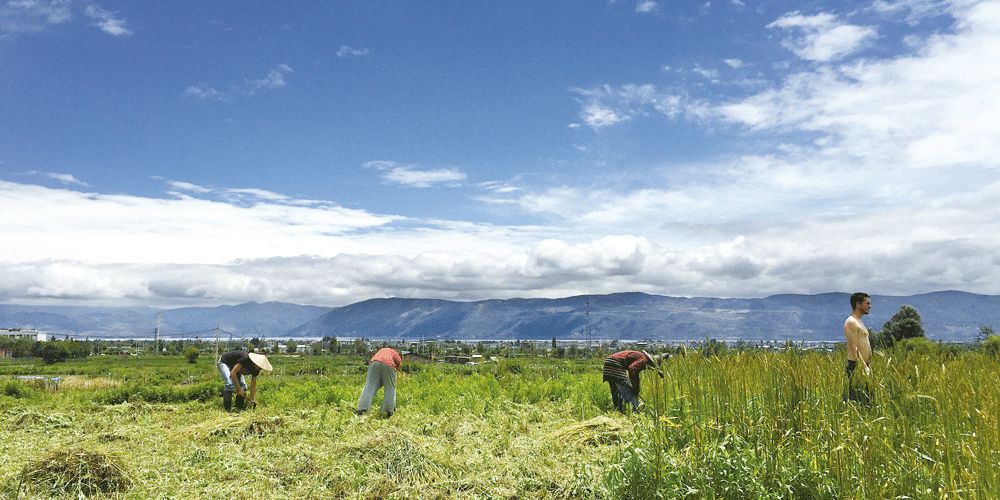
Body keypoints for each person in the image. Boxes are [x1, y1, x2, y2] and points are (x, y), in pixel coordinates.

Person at [357, 347, 402, 417]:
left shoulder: (382, 350)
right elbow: (398, 363)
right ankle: (387, 411)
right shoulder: (395, 353)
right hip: (389, 364)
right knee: (390, 388)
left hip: (374, 363)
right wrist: (396, 369)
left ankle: (362, 409)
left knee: (369, 387)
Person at [844, 292, 872, 401]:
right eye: (867, 303)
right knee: (857, 400)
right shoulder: (851, 322)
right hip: (856, 366)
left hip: (864, 365)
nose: (870, 306)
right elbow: (853, 347)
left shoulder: (859, 321)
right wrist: (864, 367)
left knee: (866, 399)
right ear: (858, 304)